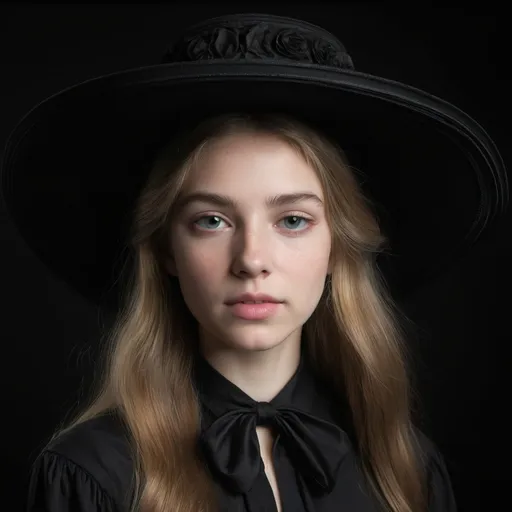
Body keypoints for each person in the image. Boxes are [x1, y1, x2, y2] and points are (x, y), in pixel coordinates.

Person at [1, 12, 507, 512]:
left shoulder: (407, 470)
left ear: (338, 248)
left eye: (292, 220)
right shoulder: (90, 473)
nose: (251, 261)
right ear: (166, 251)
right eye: (212, 221)